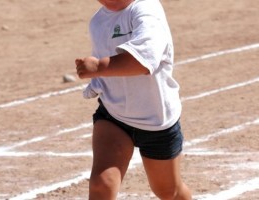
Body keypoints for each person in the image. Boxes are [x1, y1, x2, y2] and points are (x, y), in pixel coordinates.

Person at [75, 0, 192, 199]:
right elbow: (109, 66)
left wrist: (98, 67)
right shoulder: (98, 21)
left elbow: (144, 62)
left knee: (169, 192)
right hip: (114, 115)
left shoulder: (146, 9)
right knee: (101, 184)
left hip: (157, 122)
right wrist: (97, 82)